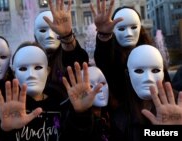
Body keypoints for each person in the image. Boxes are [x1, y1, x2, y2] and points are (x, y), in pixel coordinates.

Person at [90, 1, 171, 140]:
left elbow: (167, 88)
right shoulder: (111, 59)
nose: (128, 33)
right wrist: (104, 36)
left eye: (133, 27)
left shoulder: (153, 55)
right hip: (124, 126)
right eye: (121, 28)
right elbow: (104, 62)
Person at [0, 41, 102, 141]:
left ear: (47, 71)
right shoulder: (5, 108)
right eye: (23, 69)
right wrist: (6, 132)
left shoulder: (62, 103)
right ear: (14, 73)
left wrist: (81, 114)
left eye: (38, 67)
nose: (31, 75)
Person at [34, 0, 89, 97]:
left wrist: (67, 36)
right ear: (35, 36)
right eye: (43, 30)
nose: (49, 36)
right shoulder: (29, 59)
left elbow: (78, 60)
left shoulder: (69, 56)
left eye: (54, 29)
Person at [82, 66, 111, 141]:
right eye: (91, 86)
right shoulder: (81, 125)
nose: (99, 89)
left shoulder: (109, 117)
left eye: (102, 83)